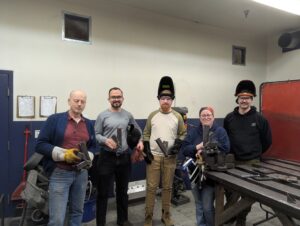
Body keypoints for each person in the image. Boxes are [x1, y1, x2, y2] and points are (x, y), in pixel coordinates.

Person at [35, 90, 97, 226]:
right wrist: (63, 155)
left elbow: (94, 146)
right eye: (76, 100)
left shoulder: (89, 124)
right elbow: (40, 145)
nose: (79, 104)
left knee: (77, 212)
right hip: (60, 173)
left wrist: (90, 156)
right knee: (57, 219)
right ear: (69, 101)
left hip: (81, 174)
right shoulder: (54, 120)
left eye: (83, 101)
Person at [224, 80, 272, 226]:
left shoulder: (260, 119)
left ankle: (241, 219)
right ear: (237, 99)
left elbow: (267, 141)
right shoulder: (229, 118)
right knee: (230, 191)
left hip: (253, 162)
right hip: (232, 162)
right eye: (241, 97)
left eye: (247, 97)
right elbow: (225, 139)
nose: (244, 100)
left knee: (248, 195)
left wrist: (254, 153)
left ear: (252, 99)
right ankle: (230, 214)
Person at [94, 87, 143, 226]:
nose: (116, 99)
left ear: (122, 98)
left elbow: (138, 131)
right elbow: (96, 135)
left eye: (119, 96)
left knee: (122, 192)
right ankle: (100, 223)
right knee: (103, 193)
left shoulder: (128, 115)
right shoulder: (102, 115)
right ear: (109, 99)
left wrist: (139, 142)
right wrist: (105, 140)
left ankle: (122, 220)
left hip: (124, 158)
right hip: (106, 158)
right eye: (113, 97)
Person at [143, 76, 187, 226]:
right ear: (159, 99)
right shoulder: (152, 115)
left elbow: (182, 133)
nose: (166, 101)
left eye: (169, 98)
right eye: (163, 98)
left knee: (168, 188)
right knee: (151, 188)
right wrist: (147, 150)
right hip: (154, 157)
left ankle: (166, 216)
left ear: (172, 100)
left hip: (170, 158)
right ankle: (148, 218)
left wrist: (178, 144)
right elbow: (146, 133)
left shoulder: (177, 117)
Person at [180, 106, 230, 226]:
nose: (206, 117)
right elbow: (185, 149)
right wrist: (197, 147)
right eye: (203, 115)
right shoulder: (193, 132)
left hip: (210, 174)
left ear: (213, 117)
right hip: (194, 173)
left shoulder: (220, 131)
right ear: (200, 118)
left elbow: (226, 148)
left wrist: (207, 149)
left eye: (209, 115)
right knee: (198, 204)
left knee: (207, 206)